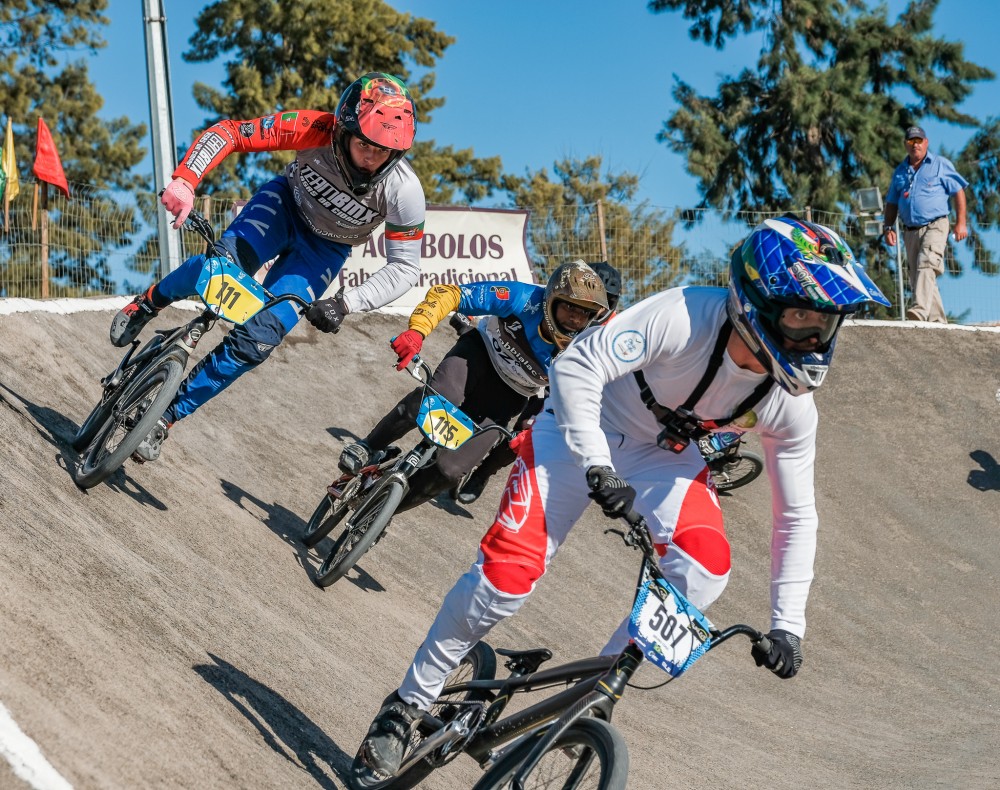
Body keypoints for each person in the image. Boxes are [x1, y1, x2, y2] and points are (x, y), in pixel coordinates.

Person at [350, 215, 890, 783]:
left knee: (705, 571)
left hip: (663, 456)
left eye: (825, 323)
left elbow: (796, 515)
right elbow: (580, 366)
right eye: (801, 317)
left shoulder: (790, 403)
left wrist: (788, 625)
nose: (814, 337)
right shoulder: (683, 316)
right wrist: (598, 467)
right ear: (756, 299)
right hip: (579, 427)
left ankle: (597, 688)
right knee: (506, 580)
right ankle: (407, 705)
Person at [108, 72, 424, 461]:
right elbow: (229, 133)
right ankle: (149, 302)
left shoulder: (404, 191)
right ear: (342, 129)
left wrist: (346, 303)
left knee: (260, 339)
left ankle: (165, 417)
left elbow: (406, 268)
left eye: (384, 152)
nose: (373, 160)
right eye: (364, 144)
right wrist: (186, 181)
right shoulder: (313, 127)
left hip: (324, 251)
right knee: (218, 272)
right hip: (283, 207)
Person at [337, 260, 609, 512]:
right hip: (478, 357)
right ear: (551, 299)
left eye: (585, 313)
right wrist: (417, 331)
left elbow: (576, 404)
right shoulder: (523, 297)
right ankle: (369, 446)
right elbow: (449, 294)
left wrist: (538, 428)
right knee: (438, 399)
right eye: (570, 307)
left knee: (450, 470)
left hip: (509, 395)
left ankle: (381, 513)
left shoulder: (585, 348)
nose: (575, 318)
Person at [450, 260, 623, 505]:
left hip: (562, 383)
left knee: (526, 429)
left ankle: (484, 472)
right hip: (532, 363)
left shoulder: (612, 331)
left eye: (605, 299)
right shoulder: (562, 294)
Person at [883, 125, 968, 323]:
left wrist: (961, 223)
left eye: (919, 140)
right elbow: (892, 203)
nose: (915, 145)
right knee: (919, 276)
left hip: (936, 225)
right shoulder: (900, 172)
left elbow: (959, 191)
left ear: (926, 142)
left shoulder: (940, 164)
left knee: (927, 263)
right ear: (906, 145)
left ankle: (919, 310)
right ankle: (938, 322)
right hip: (910, 231)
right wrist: (887, 228)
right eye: (911, 141)